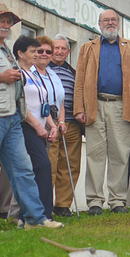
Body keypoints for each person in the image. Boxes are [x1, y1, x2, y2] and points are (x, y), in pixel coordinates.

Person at [0, 3, 63, 235]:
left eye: (8, 21)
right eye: (1, 21)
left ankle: (34, 218)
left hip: (12, 119)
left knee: (23, 168)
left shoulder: (7, 51)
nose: (6, 25)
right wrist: (0, 77)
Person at [73, 9, 130, 215]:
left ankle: (118, 200)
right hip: (95, 104)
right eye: (106, 20)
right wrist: (79, 108)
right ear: (99, 23)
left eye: (113, 20)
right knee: (95, 154)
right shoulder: (87, 48)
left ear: (119, 23)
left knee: (120, 154)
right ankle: (95, 201)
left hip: (123, 105)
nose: (110, 23)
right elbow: (79, 81)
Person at [15, 35, 64, 221]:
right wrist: (38, 127)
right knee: (40, 167)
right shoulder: (18, 73)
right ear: (20, 53)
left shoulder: (35, 75)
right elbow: (21, 106)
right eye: (33, 51)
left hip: (41, 127)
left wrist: (52, 126)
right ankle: (39, 215)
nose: (37, 55)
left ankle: (36, 214)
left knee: (40, 168)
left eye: (39, 51)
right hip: (26, 127)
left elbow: (44, 104)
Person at [48, 34, 82, 218]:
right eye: (56, 48)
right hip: (50, 123)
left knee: (70, 165)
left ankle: (62, 205)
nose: (59, 51)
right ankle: (46, 203)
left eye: (63, 49)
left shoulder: (73, 72)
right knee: (50, 164)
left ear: (68, 52)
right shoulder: (43, 70)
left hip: (72, 124)